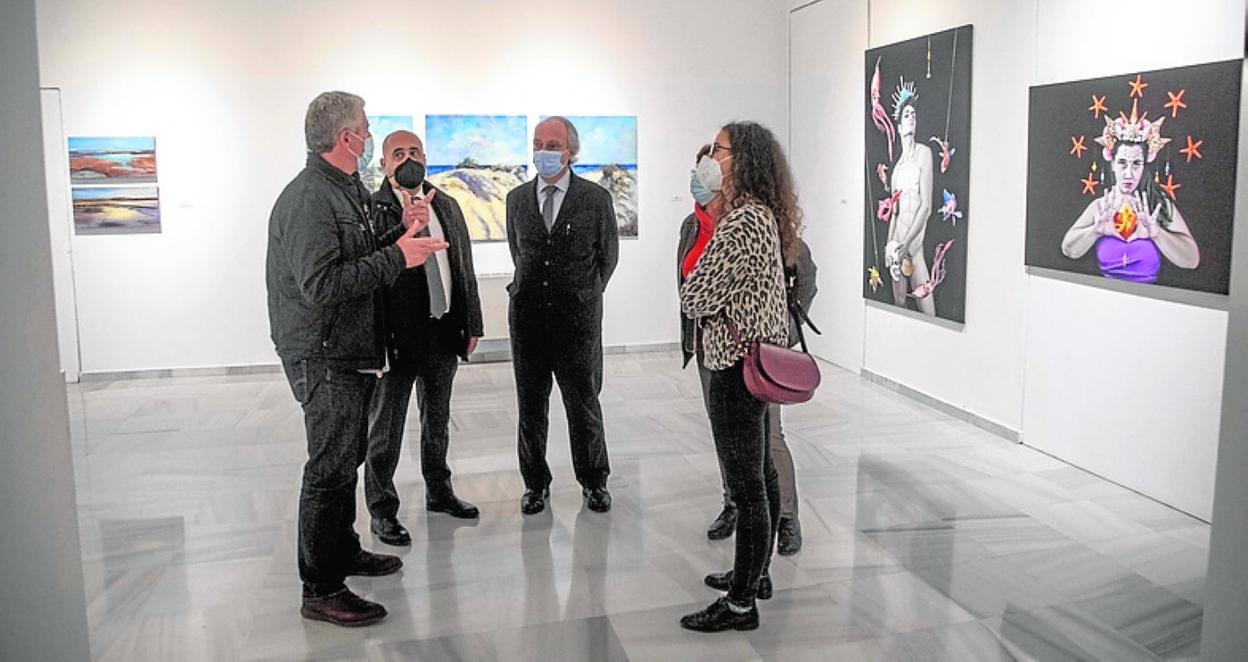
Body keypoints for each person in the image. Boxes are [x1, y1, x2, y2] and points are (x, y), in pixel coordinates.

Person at [266, 91, 447, 627]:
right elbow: (322, 284)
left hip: (346, 350)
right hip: (323, 355)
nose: (370, 137)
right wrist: (399, 257)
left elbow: (356, 257)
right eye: (366, 129)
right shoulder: (309, 198)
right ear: (346, 138)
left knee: (346, 459)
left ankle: (341, 551)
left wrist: (400, 234)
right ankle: (321, 587)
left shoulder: (341, 190)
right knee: (328, 468)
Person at [679, 121, 800, 632]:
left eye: (720, 148)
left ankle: (740, 604)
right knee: (761, 476)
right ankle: (756, 573)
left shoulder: (743, 221)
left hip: (733, 366)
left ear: (741, 160)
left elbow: (694, 296)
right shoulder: (760, 215)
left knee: (747, 487)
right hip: (753, 362)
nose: (712, 156)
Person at [363, 130, 485, 548]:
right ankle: (382, 510)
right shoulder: (372, 209)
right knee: (386, 428)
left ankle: (439, 490)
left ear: (426, 158)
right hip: (396, 338)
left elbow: (463, 265)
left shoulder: (445, 204)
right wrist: (404, 224)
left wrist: (471, 323)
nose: (408, 159)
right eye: (398, 153)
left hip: (443, 329)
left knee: (437, 419)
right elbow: (369, 268)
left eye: (414, 151)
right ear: (384, 164)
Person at [506, 116, 619, 515]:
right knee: (531, 408)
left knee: (583, 405)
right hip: (528, 321)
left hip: (577, 322)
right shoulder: (517, 199)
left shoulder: (595, 199)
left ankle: (594, 481)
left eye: (552, 145)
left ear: (571, 151)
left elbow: (607, 258)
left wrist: (582, 294)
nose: (544, 152)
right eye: (538, 144)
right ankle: (535, 484)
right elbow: (519, 253)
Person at [1061, 111, 1199, 279]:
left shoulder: (1158, 205)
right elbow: (1069, 250)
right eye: (1122, 163)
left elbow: (1191, 260)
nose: (1128, 174)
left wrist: (1157, 233)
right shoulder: (1101, 206)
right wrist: (1095, 231)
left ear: (1144, 166)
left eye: (1136, 164)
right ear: (1112, 164)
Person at [885, 78, 936, 316]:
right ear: (898, 126)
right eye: (906, 115)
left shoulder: (924, 154)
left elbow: (926, 206)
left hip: (914, 249)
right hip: (897, 247)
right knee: (898, 307)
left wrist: (905, 244)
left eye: (913, 114)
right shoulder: (896, 170)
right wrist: (890, 247)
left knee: (929, 312)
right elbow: (894, 214)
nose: (911, 118)